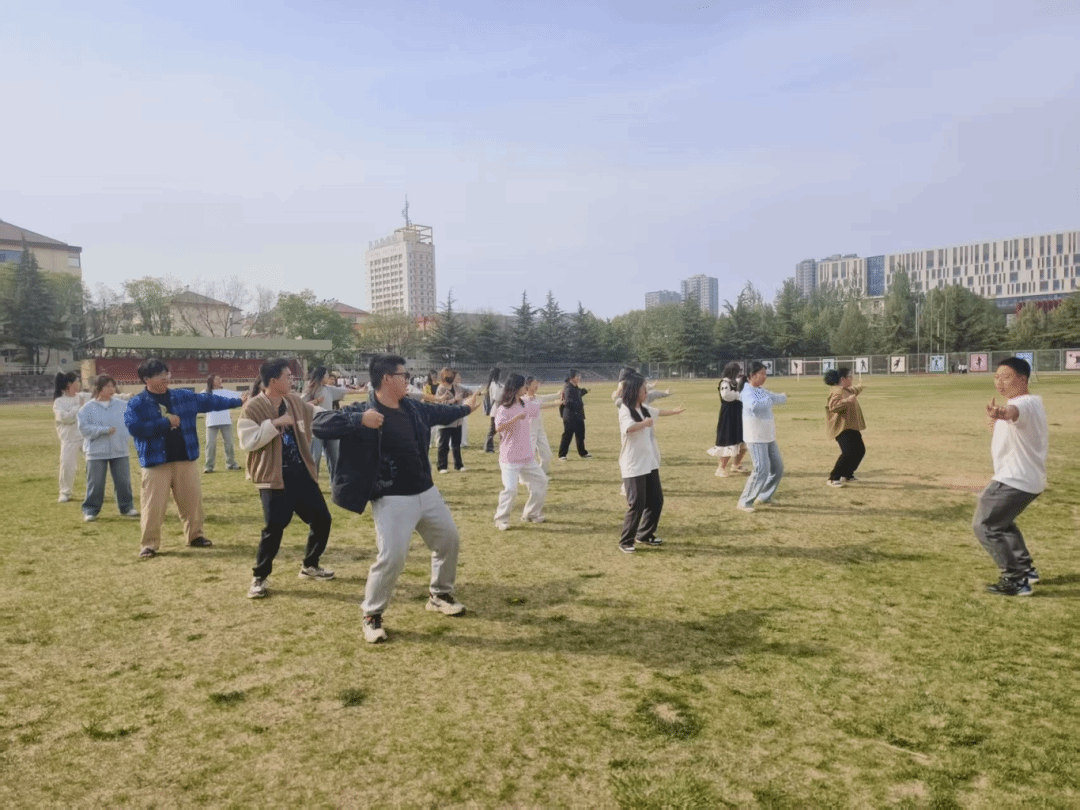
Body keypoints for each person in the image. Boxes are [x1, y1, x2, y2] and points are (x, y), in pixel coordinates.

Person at [312, 354, 483, 643]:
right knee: (392, 557)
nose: (408, 380)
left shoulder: (413, 407)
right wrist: (359, 420)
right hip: (392, 499)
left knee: (449, 541)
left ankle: (439, 595)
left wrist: (466, 408)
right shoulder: (364, 410)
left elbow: (441, 414)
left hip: (426, 492)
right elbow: (319, 424)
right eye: (404, 375)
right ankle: (372, 614)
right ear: (387, 378)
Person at [124, 358, 246, 558]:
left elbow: (209, 401)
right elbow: (135, 429)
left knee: (192, 502)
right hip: (156, 463)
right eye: (160, 375)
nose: (165, 378)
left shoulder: (182, 396)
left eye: (166, 373)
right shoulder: (137, 403)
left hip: (184, 458)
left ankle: (195, 535)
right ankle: (149, 544)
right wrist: (165, 423)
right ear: (146, 379)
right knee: (153, 506)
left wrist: (238, 401)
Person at [238, 359, 335, 599]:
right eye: (288, 377)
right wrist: (274, 424)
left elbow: (317, 414)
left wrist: (350, 418)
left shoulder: (293, 401)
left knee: (322, 519)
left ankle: (310, 565)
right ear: (273, 381)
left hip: (300, 473)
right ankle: (259, 577)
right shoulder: (253, 408)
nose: (292, 380)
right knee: (274, 528)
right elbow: (248, 442)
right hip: (273, 477)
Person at [972, 357, 1048, 597]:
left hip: (1014, 479)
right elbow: (1005, 427)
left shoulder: (1024, 403)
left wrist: (1003, 412)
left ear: (1023, 379)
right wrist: (995, 419)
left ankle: (1015, 579)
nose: (999, 382)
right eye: (996, 377)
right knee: (1002, 523)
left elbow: (1013, 412)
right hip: (1028, 479)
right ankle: (1026, 570)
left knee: (985, 525)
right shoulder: (1030, 403)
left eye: (1006, 377)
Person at [617, 374, 685, 553]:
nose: (646, 392)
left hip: (649, 462)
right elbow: (628, 428)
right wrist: (644, 423)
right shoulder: (625, 409)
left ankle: (645, 534)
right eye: (643, 389)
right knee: (637, 503)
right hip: (633, 464)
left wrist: (674, 412)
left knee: (656, 500)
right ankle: (626, 541)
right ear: (634, 391)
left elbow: (658, 411)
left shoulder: (643, 408)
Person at [493, 373, 557, 529]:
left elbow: (539, 406)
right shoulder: (503, 408)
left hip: (527, 457)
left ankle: (531, 513)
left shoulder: (525, 403)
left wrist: (558, 402)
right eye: (523, 385)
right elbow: (499, 428)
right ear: (516, 387)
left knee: (541, 482)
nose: (526, 388)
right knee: (510, 489)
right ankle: (501, 519)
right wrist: (514, 419)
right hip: (510, 458)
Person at [77, 375, 138, 522]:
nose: (111, 389)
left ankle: (127, 507)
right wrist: (103, 430)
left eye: (113, 386)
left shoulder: (122, 405)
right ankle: (90, 510)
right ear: (98, 388)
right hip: (96, 452)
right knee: (95, 483)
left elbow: (132, 422)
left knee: (123, 481)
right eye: (107, 386)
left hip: (119, 449)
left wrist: (127, 437)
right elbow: (84, 429)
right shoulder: (87, 409)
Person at [736, 361, 787, 513]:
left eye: (765, 374)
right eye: (762, 374)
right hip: (756, 437)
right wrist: (769, 400)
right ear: (752, 376)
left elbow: (774, 397)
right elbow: (754, 406)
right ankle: (744, 501)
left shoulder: (759, 390)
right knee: (761, 470)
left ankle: (764, 496)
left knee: (777, 467)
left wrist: (783, 397)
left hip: (768, 436)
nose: (765, 377)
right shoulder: (747, 392)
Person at [302, 366, 361, 481]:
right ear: (321, 376)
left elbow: (346, 391)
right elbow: (301, 405)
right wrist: (316, 401)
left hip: (330, 426)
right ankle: (312, 483)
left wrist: (360, 391)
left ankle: (335, 484)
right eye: (326, 375)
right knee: (315, 458)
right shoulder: (309, 391)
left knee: (334, 458)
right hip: (315, 428)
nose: (328, 377)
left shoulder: (329, 389)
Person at [52, 372, 92, 503]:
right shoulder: (59, 402)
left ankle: (94, 490)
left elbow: (102, 396)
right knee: (67, 466)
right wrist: (79, 407)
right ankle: (65, 492)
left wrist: (128, 396)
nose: (79, 383)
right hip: (69, 439)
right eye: (77, 381)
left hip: (85, 437)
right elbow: (66, 418)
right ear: (70, 384)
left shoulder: (83, 396)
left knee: (94, 463)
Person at [824, 367, 866, 487]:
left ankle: (847, 474)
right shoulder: (837, 391)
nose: (852, 378)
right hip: (842, 428)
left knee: (860, 450)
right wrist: (847, 401)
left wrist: (862, 386)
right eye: (850, 377)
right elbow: (833, 407)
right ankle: (833, 478)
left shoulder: (847, 389)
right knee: (848, 452)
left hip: (851, 426)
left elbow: (855, 390)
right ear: (843, 379)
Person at [709, 362, 748, 477]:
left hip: (739, 414)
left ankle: (736, 465)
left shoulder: (736, 382)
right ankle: (720, 468)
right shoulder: (725, 383)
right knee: (729, 441)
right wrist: (740, 394)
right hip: (729, 416)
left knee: (743, 441)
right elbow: (727, 396)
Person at [203, 374, 242, 473]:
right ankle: (209, 466)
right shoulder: (205, 393)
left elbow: (239, 395)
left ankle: (231, 464)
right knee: (210, 444)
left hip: (225, 421)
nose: (220, 380)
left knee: (229, 443)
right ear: (212, 381)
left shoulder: (225, 392)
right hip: (211, 422)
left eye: (220, 379)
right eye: (217, 379)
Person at [435, 367, 469, 473]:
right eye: (447, 375)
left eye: (451, 375)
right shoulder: (441, 389)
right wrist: (454, 400)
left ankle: (458, 465)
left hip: (457, 419)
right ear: (443, 376)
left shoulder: (457, 387)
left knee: (456, 444)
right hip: (445, 420)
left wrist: (477, 392)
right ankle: (442, 466)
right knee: (443, 445)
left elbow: (467, 392)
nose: (450, 377)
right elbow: (439, 403)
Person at [524, 376, 559, 474]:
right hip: (528, 431)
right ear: (528, 386)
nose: (536, 386)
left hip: (540, 430)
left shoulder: (537, 397)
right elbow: (539, 406)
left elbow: (548, 397)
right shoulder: (523, 399)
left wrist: (559, 394)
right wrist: (555, 404)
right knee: (529, 455)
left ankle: (542, 473)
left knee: (547, 454)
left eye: (537, 384)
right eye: (534, 384)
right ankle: (526, 475)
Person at [557, 369, 591, 460]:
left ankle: (583, 453)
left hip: (578, 415)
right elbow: (568, 401)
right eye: (577, 376)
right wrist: (579, 404)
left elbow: (578, 392)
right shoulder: (568, 388)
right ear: (571, 377)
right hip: (570, 416)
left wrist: (584, 391)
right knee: (568, 435)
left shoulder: (575, 387)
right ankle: (562, 455)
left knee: (580, 435)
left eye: (579, 376)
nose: (579, 378)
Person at [483, 367, 504, 453]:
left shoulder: (498, 384)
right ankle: (488, 447)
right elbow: (497, 397)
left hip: (499, 409)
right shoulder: (494, 384)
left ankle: (500, 446)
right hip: (496, 409)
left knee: (499, 429)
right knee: (493, 429)